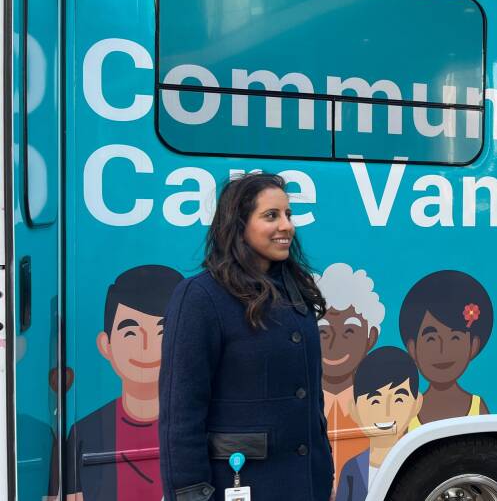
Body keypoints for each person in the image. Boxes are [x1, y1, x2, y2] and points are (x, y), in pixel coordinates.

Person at [159, 173, 334, 501]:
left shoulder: (296, 292)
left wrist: (323, 473)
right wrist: (192, 495)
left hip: (306, 487)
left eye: (288, 215)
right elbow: (181, 414)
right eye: (271, 216)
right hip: (240, 486)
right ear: (238, 224)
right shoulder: (200, 297)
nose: (286, 226)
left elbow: (310, 401)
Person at [63, 264, 183, 501]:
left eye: (163, 332)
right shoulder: (83, 433)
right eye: (131, 333)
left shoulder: (196, 421)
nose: (147, 347)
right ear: (105, 345)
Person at [314, 263, 385, 491]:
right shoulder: (300, 402)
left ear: (370, 338)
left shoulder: (378, 406)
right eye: (323, 331)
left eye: (349, 331)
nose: (334, 345)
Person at [398, 270, 493, 429]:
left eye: (455, 338)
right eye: (431, 339)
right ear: (412, 349)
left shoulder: (477, 405)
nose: (443, 350)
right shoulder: (410, 411)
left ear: (473, 346)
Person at [335, 347, 422, 501]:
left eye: (398, 399)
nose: (387, 412)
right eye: (375, 401)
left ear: (416, 404)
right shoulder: (351, 469)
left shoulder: (417, 462)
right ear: (354, 409)